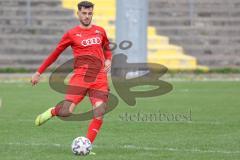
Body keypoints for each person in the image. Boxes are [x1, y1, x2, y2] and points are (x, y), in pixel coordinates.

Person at [31, 1, 112, 153]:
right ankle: (53, 111)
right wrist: (39, 72)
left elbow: (107, 49)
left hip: (99, 77)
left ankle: (87, 145)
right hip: (80, 77)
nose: (87, 16)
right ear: (78, 14)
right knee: (66, 112)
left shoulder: (100, 31)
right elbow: (55, 54)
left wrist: (108, 59)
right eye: (84, 13)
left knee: (99, 112)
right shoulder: (71, 34)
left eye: (89, 13)